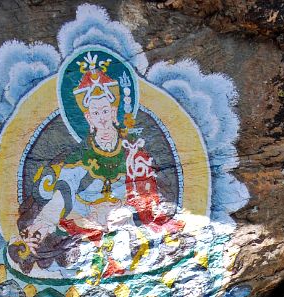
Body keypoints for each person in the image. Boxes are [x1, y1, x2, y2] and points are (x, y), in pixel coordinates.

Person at [11, 51, 182, 277]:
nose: (101, 117)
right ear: (88, 118)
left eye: (105, 110)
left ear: (114, 112)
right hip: (85, 220)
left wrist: (121, 209)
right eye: (95, 112)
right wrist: (43, 222)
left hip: (124, 218)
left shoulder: (133, 152)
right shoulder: (78, 156)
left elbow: (147, 195)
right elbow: (64, 192)